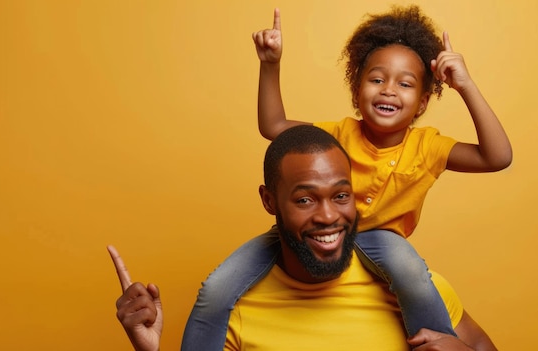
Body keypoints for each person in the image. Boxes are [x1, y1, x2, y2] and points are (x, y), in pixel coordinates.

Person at [183, 5, 513, 346]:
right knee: (216, 287)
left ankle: (436, 343)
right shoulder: (337, 136)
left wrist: (466, 85)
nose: (388, 89)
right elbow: (274, 127)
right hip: (316, 235)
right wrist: (270, 64)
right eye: (376, 79)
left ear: (423, 102)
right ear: (357, 91)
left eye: (405, 83)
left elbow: (498, 157)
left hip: (383, 241)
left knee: (411, 272)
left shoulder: (429, 146)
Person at [110, 125, 498, 350]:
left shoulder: (415, 289)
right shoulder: (233, 311)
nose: (328, 215)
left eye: (340, 195)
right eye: (305, 199)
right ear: (269, 200)